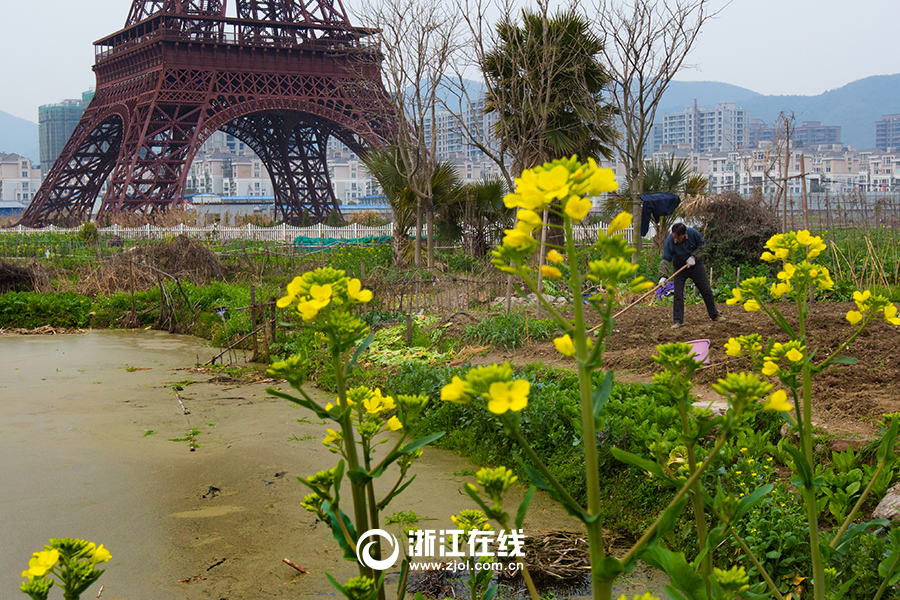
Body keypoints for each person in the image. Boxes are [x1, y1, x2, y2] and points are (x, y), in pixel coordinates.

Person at [658, 223, 726, 328]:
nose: (675, 240)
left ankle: (715, 315)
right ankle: (678, 321)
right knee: (678, 295)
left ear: (684, 234)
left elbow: (702, 245)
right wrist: (663, 276)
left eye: (678, 237)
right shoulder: (670, 241)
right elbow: (666, 259)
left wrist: (693, 256)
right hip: (679, 267)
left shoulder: (693, 233)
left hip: (695, 265)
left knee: (706, 290)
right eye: (674, 237)